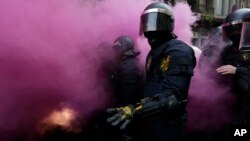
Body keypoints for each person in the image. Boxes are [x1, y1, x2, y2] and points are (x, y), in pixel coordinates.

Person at [106, 2, 196, 141]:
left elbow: (172, 99)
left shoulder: (179, 52)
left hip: (168, 128)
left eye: (157, 21)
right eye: (147, 21)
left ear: (169, 23)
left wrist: (135, 111)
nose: (152, 27)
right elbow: (152, 90)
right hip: (151, 123)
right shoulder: (154, 53)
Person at [216, 8, 250, 127]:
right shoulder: (226, 51)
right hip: (229, 106)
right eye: (230, 29)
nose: (233, 33)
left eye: (237, 29)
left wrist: (238, 71)